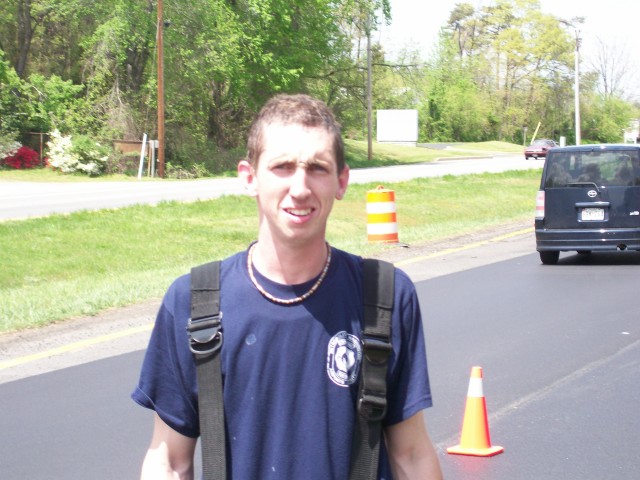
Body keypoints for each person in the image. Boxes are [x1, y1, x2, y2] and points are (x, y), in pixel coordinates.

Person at [132, 94, 443, 479]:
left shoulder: (385, 297)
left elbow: (411, 455)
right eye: (282, 167)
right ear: (250, 178)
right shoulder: (193, 304)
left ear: (341, 181)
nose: (300, 187)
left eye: (317, 168)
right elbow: (169, 462)